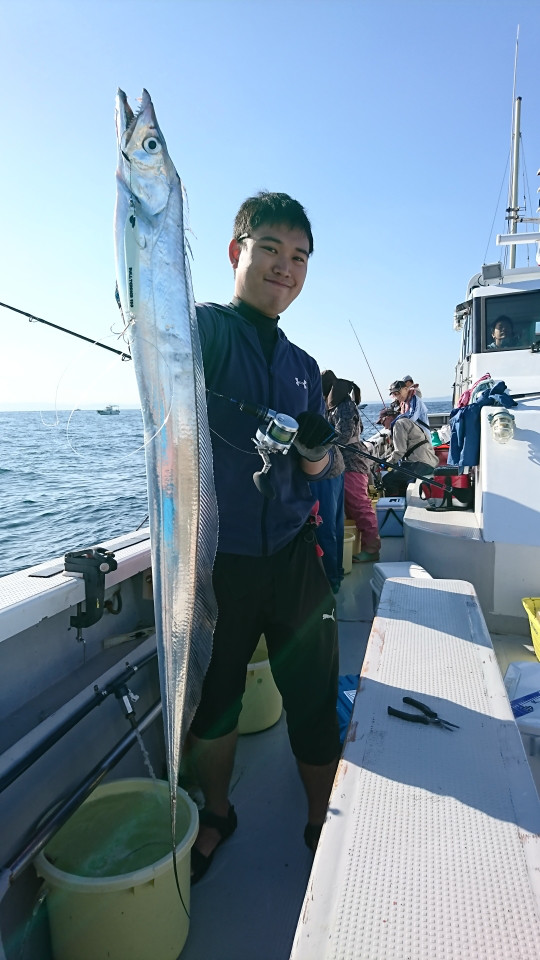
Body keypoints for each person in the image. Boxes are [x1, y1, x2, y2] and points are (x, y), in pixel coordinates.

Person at [189, 192, 341, 883]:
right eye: (271, 250)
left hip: (292, 557)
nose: (286, 268)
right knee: (215, 702)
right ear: (237, 252)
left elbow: (318, 471)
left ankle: (321, 822)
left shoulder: (305, 365)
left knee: (313, 695)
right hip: (221, 562)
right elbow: (163, 340)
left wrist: (316, 448)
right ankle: (217, 813)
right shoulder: (208, 331)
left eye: (299, 257)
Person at [321, 371, 381, 563]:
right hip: (339, 463)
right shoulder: (335, 406)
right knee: (344, 507)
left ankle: (372, 548)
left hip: (352, 463)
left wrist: (318, 443)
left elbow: (345, 434)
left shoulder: (344, 406)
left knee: (359, 504)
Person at [310, 382, 346, 594]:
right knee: (335, 526)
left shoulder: (320, 406)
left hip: (323, 471)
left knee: (324, 527)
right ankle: (337, 573)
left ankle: (331, 580)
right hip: (337, 467)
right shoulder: (333, 406)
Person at [379, 409, 438, 497]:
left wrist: (386, 463)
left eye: (382, 422)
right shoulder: (406, 421)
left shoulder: (398, 424)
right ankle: (402, 501)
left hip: (420, 464)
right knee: (399, 476)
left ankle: (394, 507)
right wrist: (387, 458)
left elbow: (400, 451)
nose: (385, 427)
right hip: (428, 462)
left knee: (388, 479)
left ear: (388, 418)